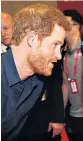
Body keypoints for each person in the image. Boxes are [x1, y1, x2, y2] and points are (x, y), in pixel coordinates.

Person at [1, 3, 71, 141]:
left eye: (61, 47)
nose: (58, 55)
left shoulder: (37, 82)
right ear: (32, 39)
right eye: (55, 44)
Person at [62, 10, 83, 141]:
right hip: (72, 115)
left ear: (76, 26)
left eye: (63, 24)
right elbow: (65, 85)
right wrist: (60, 114)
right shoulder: (61, 53)